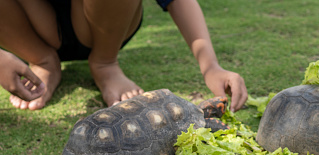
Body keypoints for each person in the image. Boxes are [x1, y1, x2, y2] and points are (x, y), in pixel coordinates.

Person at [0, 0, 248, 112]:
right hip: (31, 28)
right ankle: (43, 60)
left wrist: (211, 66)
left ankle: (105, 62)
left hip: (102, 25)